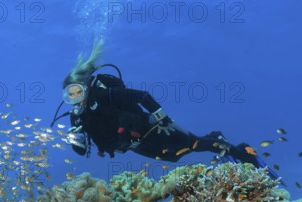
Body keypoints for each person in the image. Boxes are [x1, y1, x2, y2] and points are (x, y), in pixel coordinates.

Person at [51, 40, 279, 180]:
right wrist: (76, 140)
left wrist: (163, 118)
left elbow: (142, 96)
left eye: (76, 91)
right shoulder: (76, 116)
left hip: (152, 129)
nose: (74, 98)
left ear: (83, 87)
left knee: (193, 145)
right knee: (175, 155)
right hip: (135, 145)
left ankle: (243, 153)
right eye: (69, 95)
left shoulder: (104, 94)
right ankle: (215, 137)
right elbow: (82, 152)